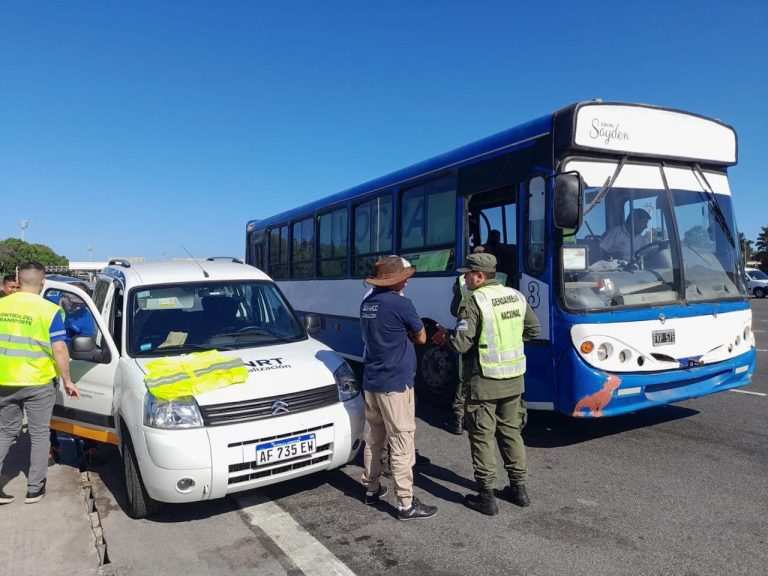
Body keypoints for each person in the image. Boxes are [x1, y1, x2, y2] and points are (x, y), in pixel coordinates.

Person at [433, 253, 540, 516]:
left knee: (482, 435)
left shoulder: (474, 301)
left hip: (484, 380)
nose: (465, 278)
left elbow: (460, 344)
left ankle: (486, 496)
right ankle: (519, 490)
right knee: (511, 433)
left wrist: (444, 335)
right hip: (514, 380)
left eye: (467, 274)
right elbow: (533, 330)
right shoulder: (516, 296)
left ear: (479, 276)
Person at [359, 256, 437, 520]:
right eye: (405, 277)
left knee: (374, 438)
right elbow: (422, 336)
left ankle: (371, 489)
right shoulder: (401, 304)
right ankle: (405, 503)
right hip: (395, 384)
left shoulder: (367, 303)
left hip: (371, 381)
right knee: (402, 441)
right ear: (395, 281)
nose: (408, 280)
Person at [0, 262, 80, 505]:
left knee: (4, 432)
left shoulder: (2, 305)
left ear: (18, 280)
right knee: (39, 433)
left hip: (4, 381)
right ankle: (35, 489)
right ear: (43, 282)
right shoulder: (50, 310)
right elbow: (59, 347)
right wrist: (67, 379)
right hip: (38, 381)